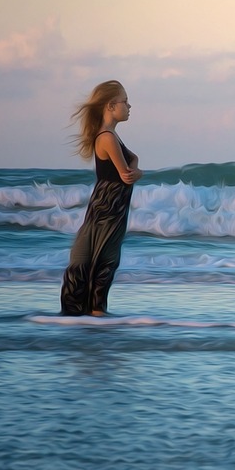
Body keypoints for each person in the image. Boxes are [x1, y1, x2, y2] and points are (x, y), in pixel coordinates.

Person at [60, 80, 142, 316]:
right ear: (110, 106)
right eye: (125, 101)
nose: (129, 106)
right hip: (110, 205)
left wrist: (136, 168)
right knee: (105, 257)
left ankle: (90, 311)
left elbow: (132, 159)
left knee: (103, 255)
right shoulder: (106, 137)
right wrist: (138, 172)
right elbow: (126, 175)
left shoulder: (112, 136)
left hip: (110, 204)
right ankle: (95, 312)